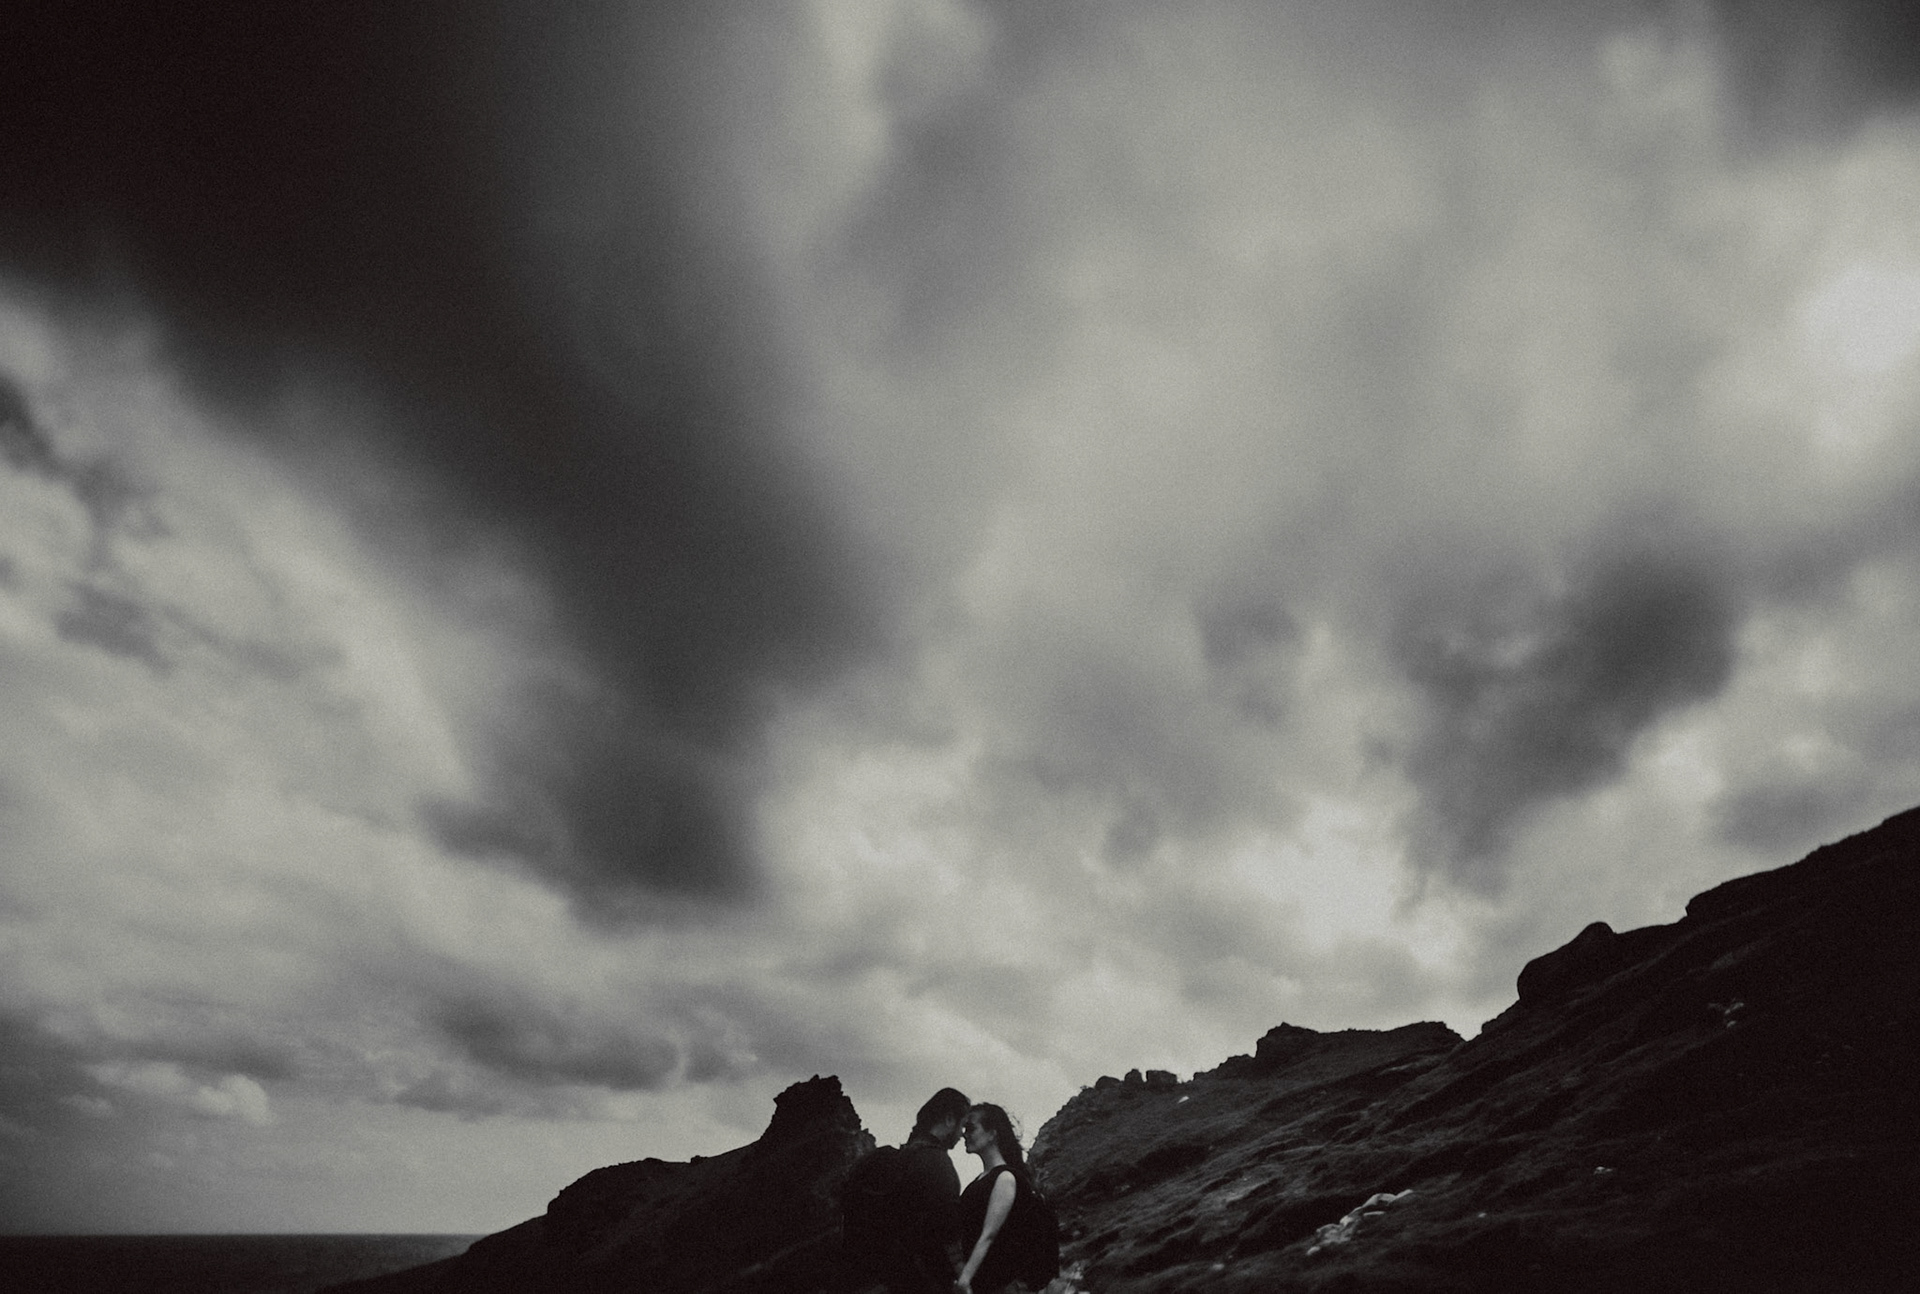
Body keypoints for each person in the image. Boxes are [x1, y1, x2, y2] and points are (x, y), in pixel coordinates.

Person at [844, 1086, 971, 1294]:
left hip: (871, 1280)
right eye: (962, 1125)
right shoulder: (937, 1163)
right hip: (914, 1284)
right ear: (949, 1119)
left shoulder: (890, 1159)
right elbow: (948, 1235)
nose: (961, 1135)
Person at [955, 1103, 1036, 1294]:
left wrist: (965, 1278)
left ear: (992, 1134)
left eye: (971, 1128)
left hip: (1001, 1286)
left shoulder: (1005, 1178)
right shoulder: (980, 1181)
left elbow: (989, 1234)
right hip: (987, 1284)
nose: (965, 1134)